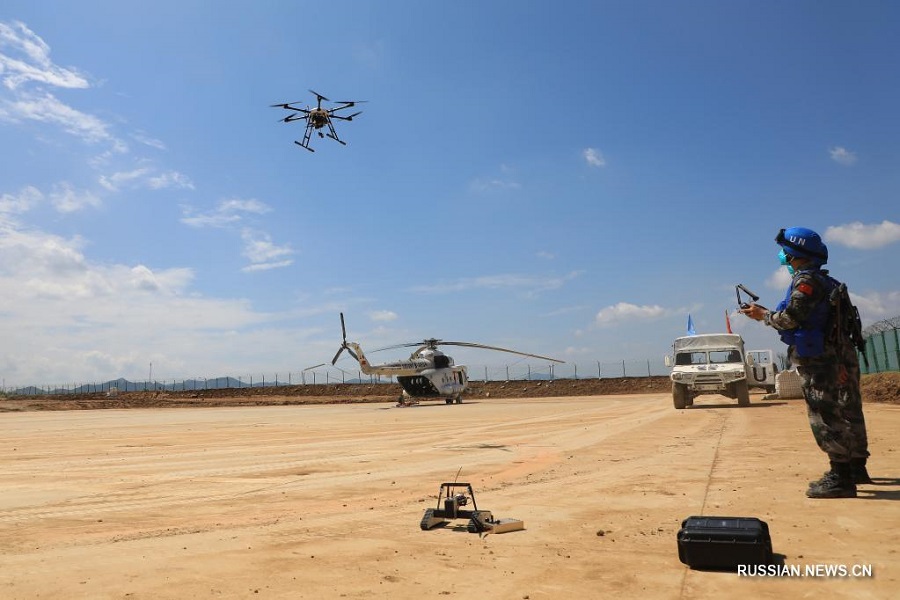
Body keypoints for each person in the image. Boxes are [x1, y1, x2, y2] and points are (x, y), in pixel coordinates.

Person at [740, 227, 871, 499]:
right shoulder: (829, 282)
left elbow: (791, 318)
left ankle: (841, 476)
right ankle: (857, 467)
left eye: (786, 253)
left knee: (824, 412)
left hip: (819, 358)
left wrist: (762, 316)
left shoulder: (806, 282)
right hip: (839, 352)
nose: (783, 257)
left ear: (794, 254)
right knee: (849, 408)